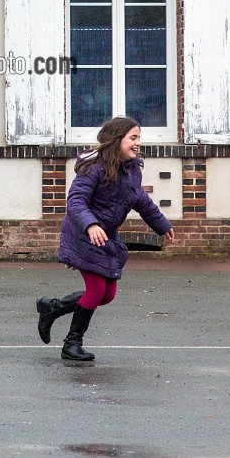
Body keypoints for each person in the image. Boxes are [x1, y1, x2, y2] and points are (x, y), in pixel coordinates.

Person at [36, 116, 174, 364]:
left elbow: (141, 200)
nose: (137, 143)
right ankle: (72, 343)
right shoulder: (94, 168)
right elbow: (76, 201)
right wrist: (90, 224)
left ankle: (53, 307)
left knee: (107, 295)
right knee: (96, 288)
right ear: (116, 140)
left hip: (104, 237)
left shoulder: (131, 171)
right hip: (83, 233)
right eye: (133, 138)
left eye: (138, 138)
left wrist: (161, 225)